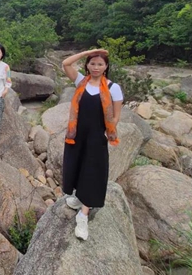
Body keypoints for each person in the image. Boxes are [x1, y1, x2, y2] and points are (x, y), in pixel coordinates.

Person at [61, 49, 123, 241]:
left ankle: (84, 215)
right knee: (77, 166)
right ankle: (79, 197)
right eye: (92, 63)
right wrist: (90, 51)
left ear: (106, 67)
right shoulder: (81, 81)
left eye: (100, 64)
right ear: (87, 65)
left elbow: (116, 114)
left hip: (96, 137)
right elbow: (66, 63)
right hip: (77, 134)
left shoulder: (113, 87)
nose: (96, 67)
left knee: (93, 171)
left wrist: (108, 132)